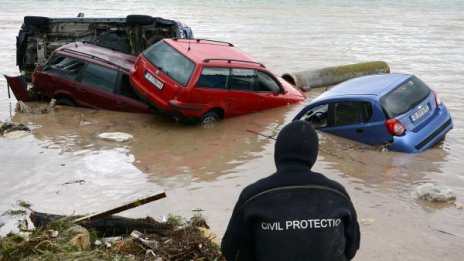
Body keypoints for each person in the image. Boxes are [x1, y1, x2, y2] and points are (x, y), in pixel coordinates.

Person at [221, 120, 360, 261]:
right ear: (313, 155)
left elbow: (231, 250)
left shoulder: (253, 195)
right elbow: (351, 248)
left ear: (278, 152)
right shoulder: (338, 194)